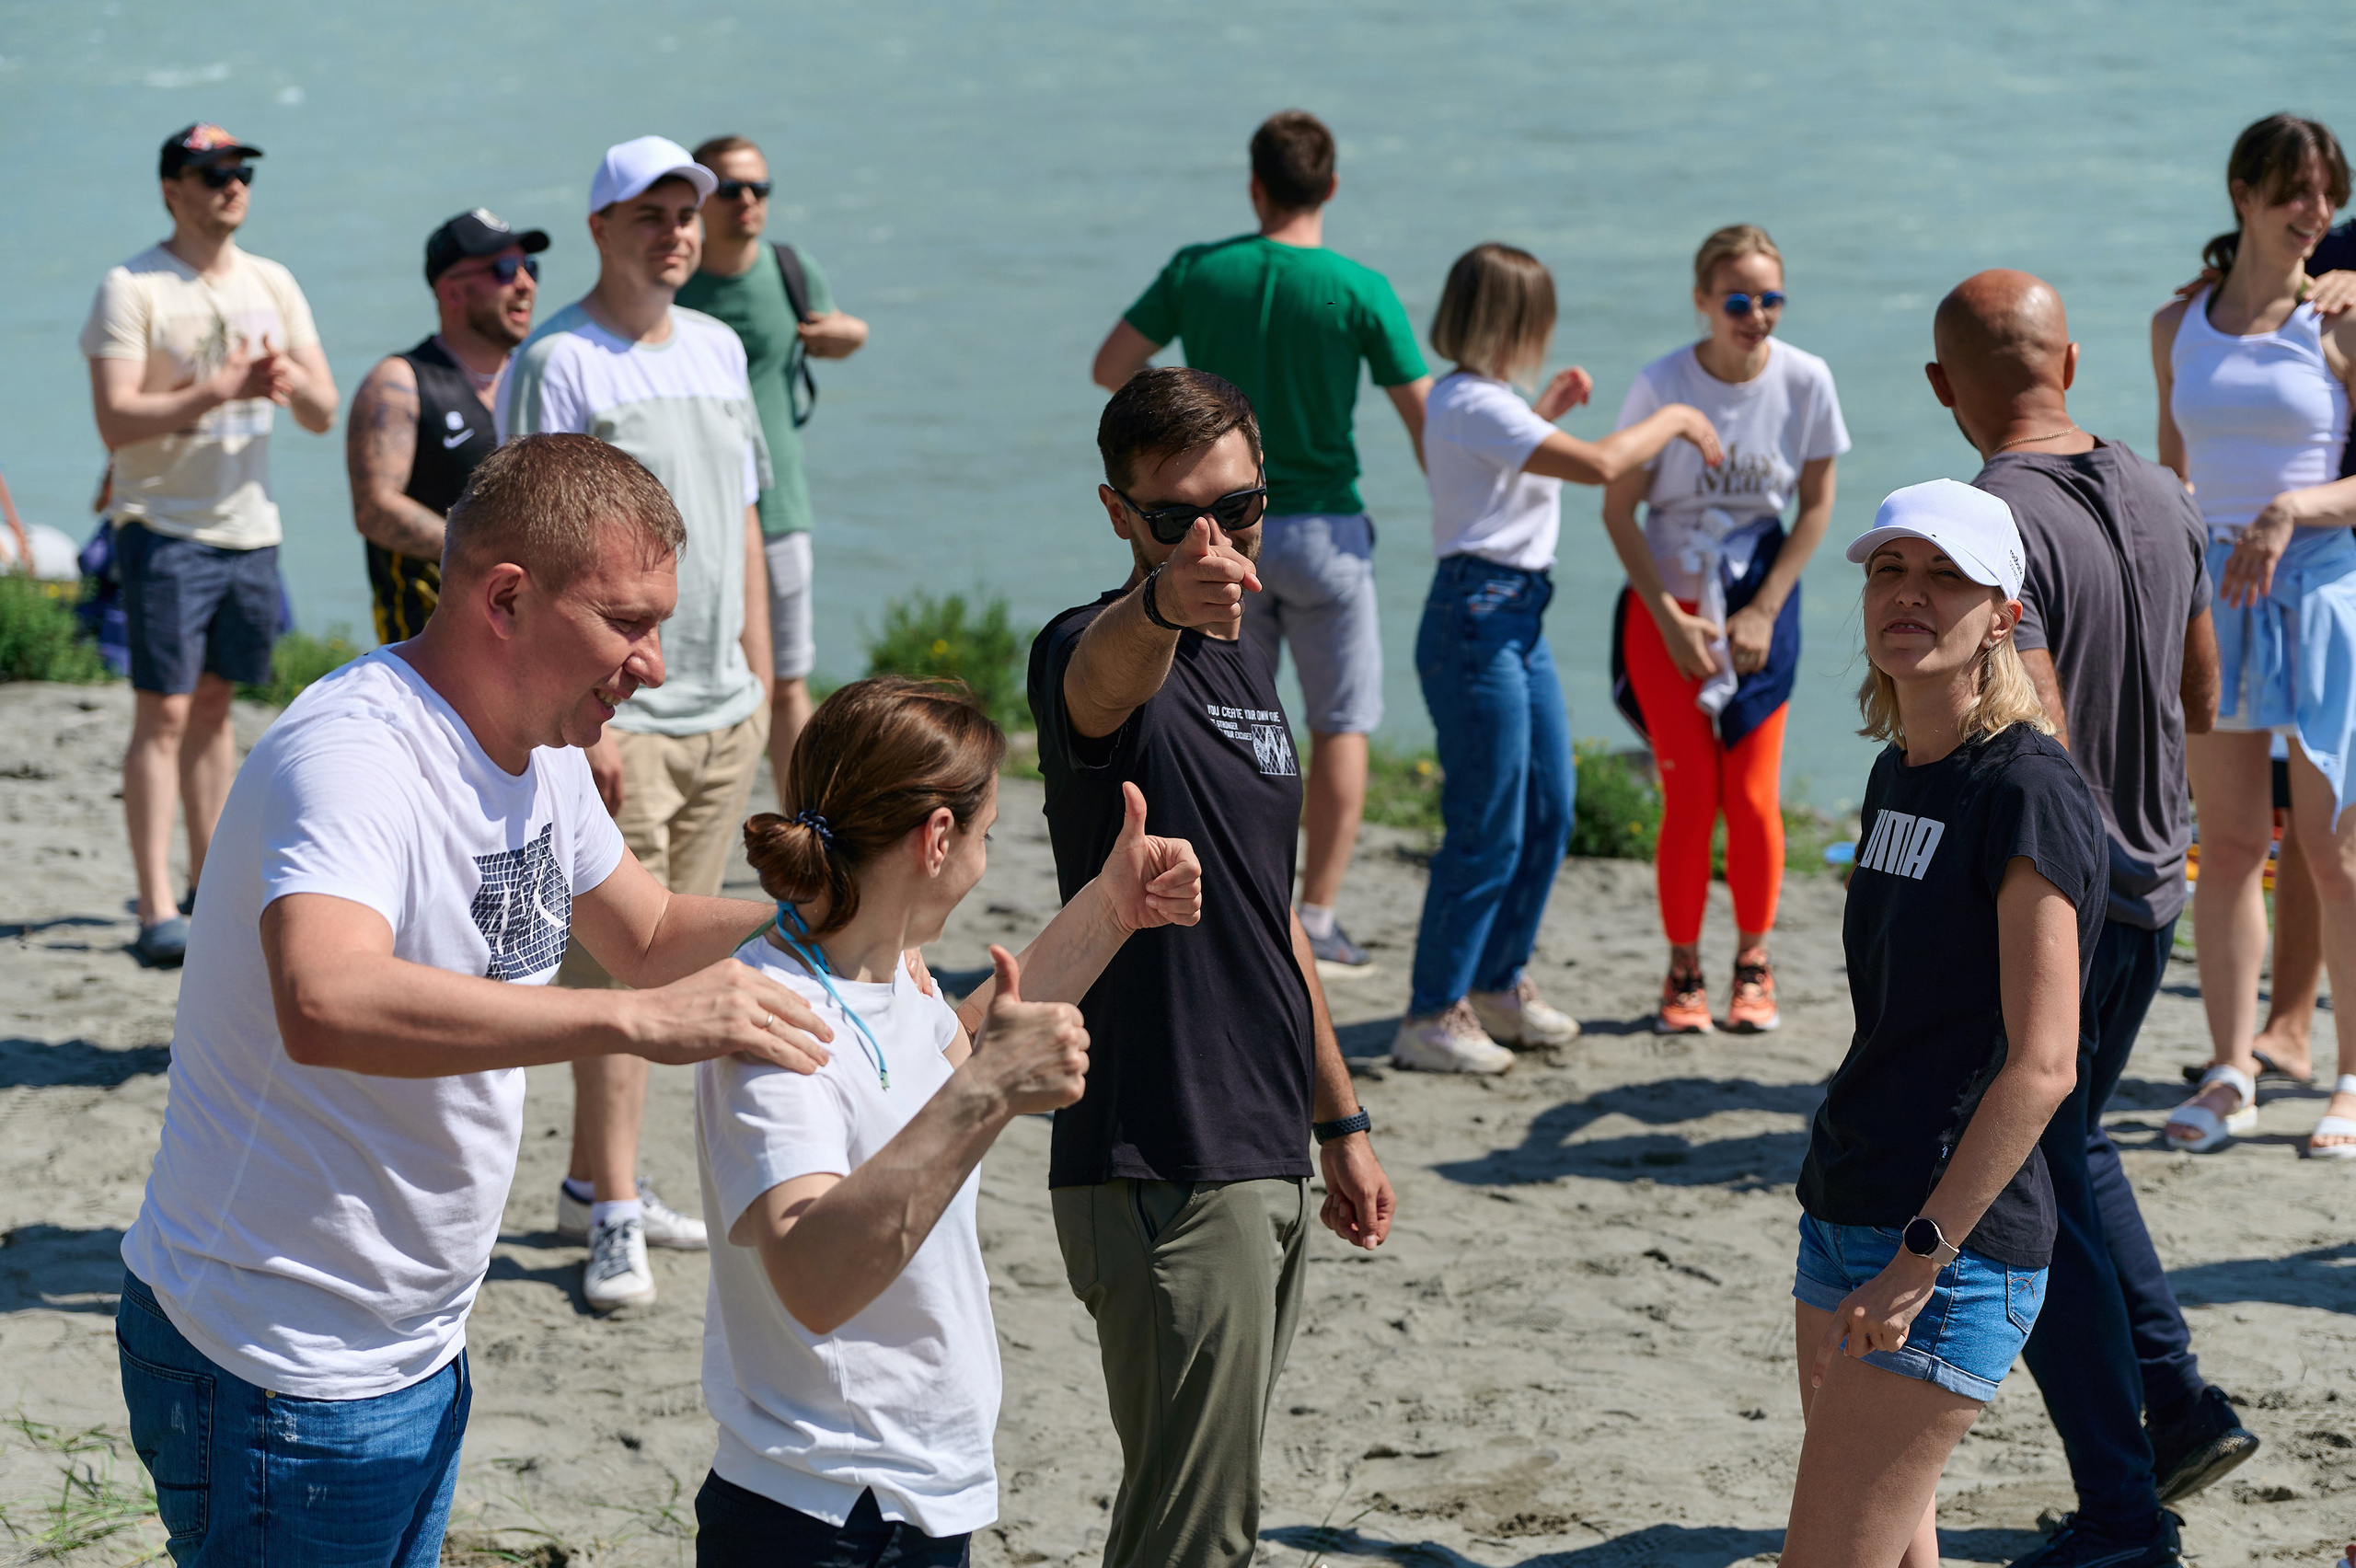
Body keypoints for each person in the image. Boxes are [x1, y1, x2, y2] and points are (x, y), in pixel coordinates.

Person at [113, 432, 836, 1566]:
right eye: (627, 622)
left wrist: (832, 917)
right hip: (275, 1357)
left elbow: (644, 933)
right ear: (507, 598)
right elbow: (327, 999)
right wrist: (631, 1025)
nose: (650, 665)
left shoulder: (541, 745)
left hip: (414, 1336)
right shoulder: (355, 755)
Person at [694, 676, 1202, 1563]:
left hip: (913, 1493)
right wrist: (992, 1092)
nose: (982, 857)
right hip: (822, 1511)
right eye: (985, 834)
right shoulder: (774, 1012)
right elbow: (811, 1275)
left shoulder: (893, 971)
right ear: (937, 838)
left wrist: (1113, 907)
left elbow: (955, 1051)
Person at [1028, 367, 1397, 1567]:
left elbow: (1267, 909)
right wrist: (1166, 605)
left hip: (1260, 1146)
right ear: (1114, 512)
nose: (1211, 539)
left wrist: (1337, 1118)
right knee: (1191, 1543)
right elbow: (1101, 682)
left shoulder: (1249, 671)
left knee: (1200, 1522)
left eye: (1235, 511)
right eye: (1171, 516)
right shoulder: (1092, 647)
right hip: (1157, 1155)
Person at [1927, 270, 2256, 1565]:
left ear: (1947, 386)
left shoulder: (1991, 515)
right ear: (2071, 356)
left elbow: (2035, 731)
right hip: (2159, 882)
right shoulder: (2166, 489)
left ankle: (2123, 1504)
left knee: (2029, 1183)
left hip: (2068, 894)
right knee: (2074, 1151)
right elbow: (2202, 682)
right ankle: (2174, 1405)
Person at [1786, 480, 2095, 1568]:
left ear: (2003, 613)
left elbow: (2043, 1063)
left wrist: (1921, 1255)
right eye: (1887, 570)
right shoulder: (1897, 772)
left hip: (1943, 1246)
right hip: (1843, 1205)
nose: (1907, 594)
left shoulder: (2025, 789)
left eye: (1944, 575)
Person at [500, 135, 776, 1310]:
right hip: (624, 714)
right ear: (604, 226)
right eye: (651, 214)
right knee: (624, 963)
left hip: (723, 709)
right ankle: (614, 1210)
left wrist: (765, 672)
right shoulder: (561, 360)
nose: (676, 231)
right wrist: (585, 719)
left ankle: (593, 1179)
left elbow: (744, 518)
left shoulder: (717, 347)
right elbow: (527, 546)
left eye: (689, 213)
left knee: (671, 951)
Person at [1090, 110, 1432, 969]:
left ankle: (1208, 886)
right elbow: (1427, 420)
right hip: (1320, 530)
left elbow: (1111, 367)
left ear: (1254, 185)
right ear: (1333, 186)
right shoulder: (1360, 288)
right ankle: (1314, 913)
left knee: (1213, 715)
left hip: (1206, 532)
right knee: (1340, 721)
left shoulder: (1201, 271)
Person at [1394, 244, 1721, 1072]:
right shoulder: (1469, 401)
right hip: (1478, 619)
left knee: (1549, 809)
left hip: (1514, 619)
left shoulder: (1488, 404)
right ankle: (1432, 1012)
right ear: (1513, 322)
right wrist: (1678, 418)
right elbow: (1604, 465)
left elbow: (1498, 487)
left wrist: (1546, 405)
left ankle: (1498, 984)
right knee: (1488, 823)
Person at [82, 122, 340, 967]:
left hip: (250, 529)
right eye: (210, 173)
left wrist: (284, 381)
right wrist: (219, 386)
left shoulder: (274, 281)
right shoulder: (133, 286)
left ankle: (205, 881)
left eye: (240, 171)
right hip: (162, 528)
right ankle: (155, 907)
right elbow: (117, 419)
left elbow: (322, 410)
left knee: (219, 708)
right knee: (162, 710)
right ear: (171, 189)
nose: (230, 184)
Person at [2153, 114, 2356, 1161]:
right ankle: (2231, 1068)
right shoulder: (2174, 321)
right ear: (2242, 192)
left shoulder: (2342, 320)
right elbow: (2171, 473)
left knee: (2335, 853)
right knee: (2226, 848)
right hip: (2212, 599)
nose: (2315, 211)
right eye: (2295, 189)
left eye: (2327, 191)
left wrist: (2293, 509)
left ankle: (2349, 1083)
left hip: (2320, 591)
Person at [1603, 224, 1847, 1035]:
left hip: (1760, 603)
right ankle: (1682, 969)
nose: (1757, 316)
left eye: (1771, 299)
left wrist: (1766, 609)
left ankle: (1753, 961)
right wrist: (1669, 619)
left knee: (1750, 796)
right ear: (1704, 301)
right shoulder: (1662, 383)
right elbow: (1617, 507)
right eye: (1738, 300)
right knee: (1690, 796)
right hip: (1666, 605)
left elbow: (1815, 506)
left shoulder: (1807, 380)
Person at [679, 134, 870, 782]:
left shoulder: (789, 267)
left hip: (779, 499)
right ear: (700, 199)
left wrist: (843, 336)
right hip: (687, 508)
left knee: (787, 679)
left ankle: (805, 826)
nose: (748, 202)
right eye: (731, 189)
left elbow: (839, 329)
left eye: (760, 189)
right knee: (675, 674)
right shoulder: (671, 276)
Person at [347, 209, 549, 643]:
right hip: (430, 639)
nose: (525, 284)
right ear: (452, 292)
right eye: (504, 270)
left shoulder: (535, 378)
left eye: (529, 268)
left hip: (524, 630)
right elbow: (375, 508)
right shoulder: (400, 382)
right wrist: (489, 554)